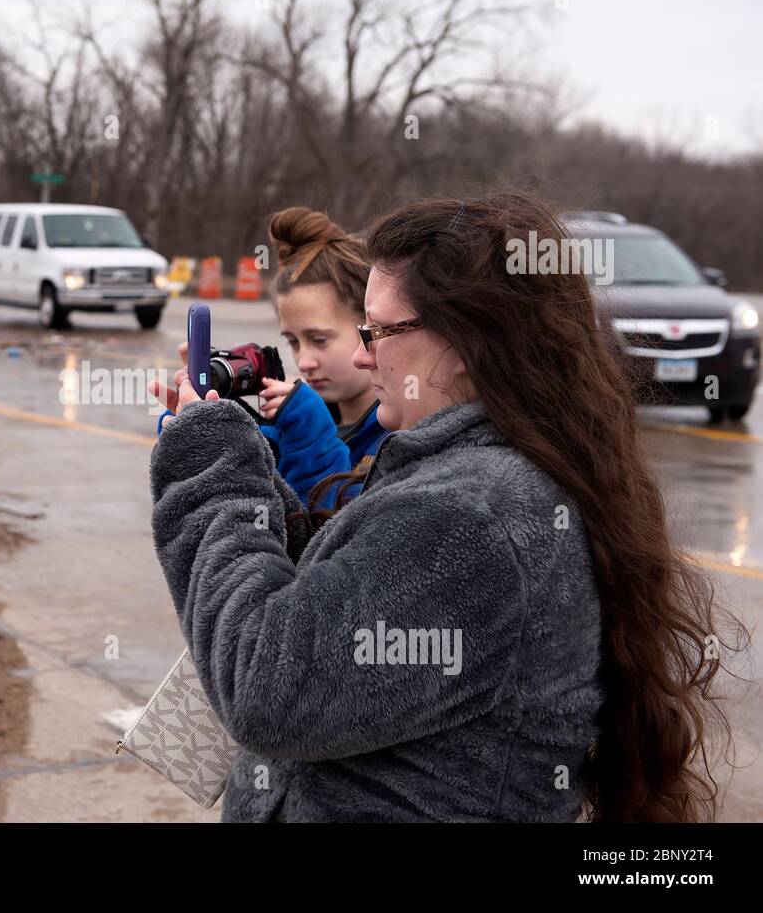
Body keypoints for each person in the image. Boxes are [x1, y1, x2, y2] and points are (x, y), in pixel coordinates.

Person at [148, 189, 739, 822]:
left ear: (468, 341)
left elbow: (268, 685)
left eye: (380, 331)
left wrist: (209, 468)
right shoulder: (482, 478)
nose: (360, 353)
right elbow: (343, 603)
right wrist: (249, 472)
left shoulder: (474, 517)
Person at [151, 208, 386, 509]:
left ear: (370, 326)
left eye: (319, 340)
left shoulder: (397, 431)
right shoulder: (291, 419)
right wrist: (206, 428)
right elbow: (253, 514)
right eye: (293, 341)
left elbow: (335, 532)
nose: (305, 361)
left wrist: (311, 435)